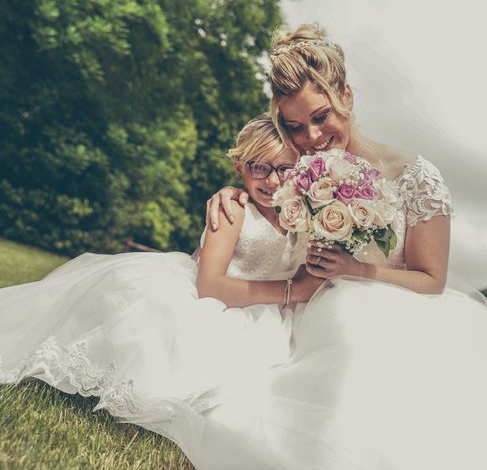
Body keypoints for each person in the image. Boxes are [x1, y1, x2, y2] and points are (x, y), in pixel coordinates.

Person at [203, 24, 487, 469]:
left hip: (394, 311)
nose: (311, 137)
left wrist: (355, 270)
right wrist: (231, 194)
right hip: (305, 310)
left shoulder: (414, 176)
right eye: (295, 127)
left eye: (320, 117)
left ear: (346, 97)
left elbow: (432, 280)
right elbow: (262, 187)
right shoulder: (299, 170)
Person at [0, 114, 322, 465]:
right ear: (239, 165)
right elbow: (210, 287)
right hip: (212, 304)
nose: (273, 181)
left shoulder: (300, 219)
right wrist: (292, 291)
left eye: (285, 169)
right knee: (158, 341)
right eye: (260, 167)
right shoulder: (234, 211)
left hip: (263, 317)